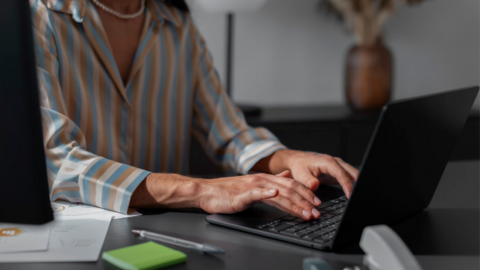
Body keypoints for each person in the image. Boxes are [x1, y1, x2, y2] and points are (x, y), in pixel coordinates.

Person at [31, 0, 358, 221]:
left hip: (166, 234)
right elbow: (55, 161)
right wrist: (201, 189)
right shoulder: (39, 16)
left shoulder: (177, 25)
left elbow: (231, 134)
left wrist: (292, 159)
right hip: (78, 239)